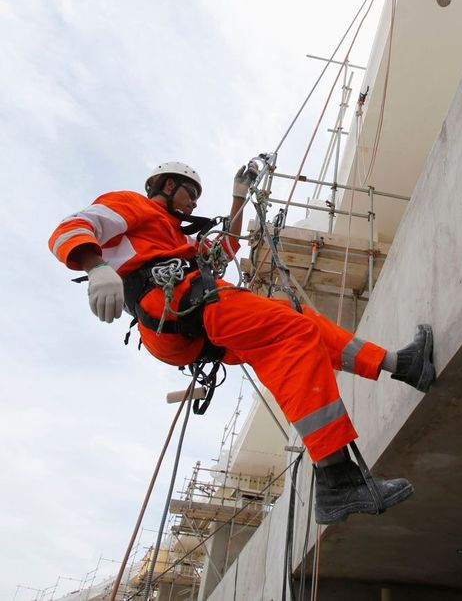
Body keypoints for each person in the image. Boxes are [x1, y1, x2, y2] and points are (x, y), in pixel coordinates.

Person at [49, 161, 436, 525]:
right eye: (190, 193)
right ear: (168, 185)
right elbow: (71, 227)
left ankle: (398, 365)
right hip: (178, 303)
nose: (195, 202)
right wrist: (96, 267)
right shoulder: (131, 205)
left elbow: (226, 248)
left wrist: (239, 198)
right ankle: (337, 480)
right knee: (292, 332)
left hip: (186, 314)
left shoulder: (172, 234)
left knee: (294, 318)